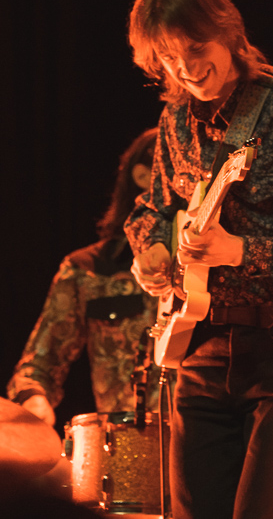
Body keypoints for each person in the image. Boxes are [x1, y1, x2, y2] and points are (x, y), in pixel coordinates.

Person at [124, 0, 273, 519]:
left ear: (228, 29)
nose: (185, 69)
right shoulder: (175, 117)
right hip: (199, 346)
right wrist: (151, 251)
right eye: (169, 60)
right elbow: (150, 210)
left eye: (195, 47)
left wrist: (241, 251)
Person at [7, 128, 162, 425]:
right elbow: (38, 367)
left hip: (208, 447)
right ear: (143, 177)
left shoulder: (214, 265)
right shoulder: (86, 270)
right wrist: (35, 400)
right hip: (125, 452)